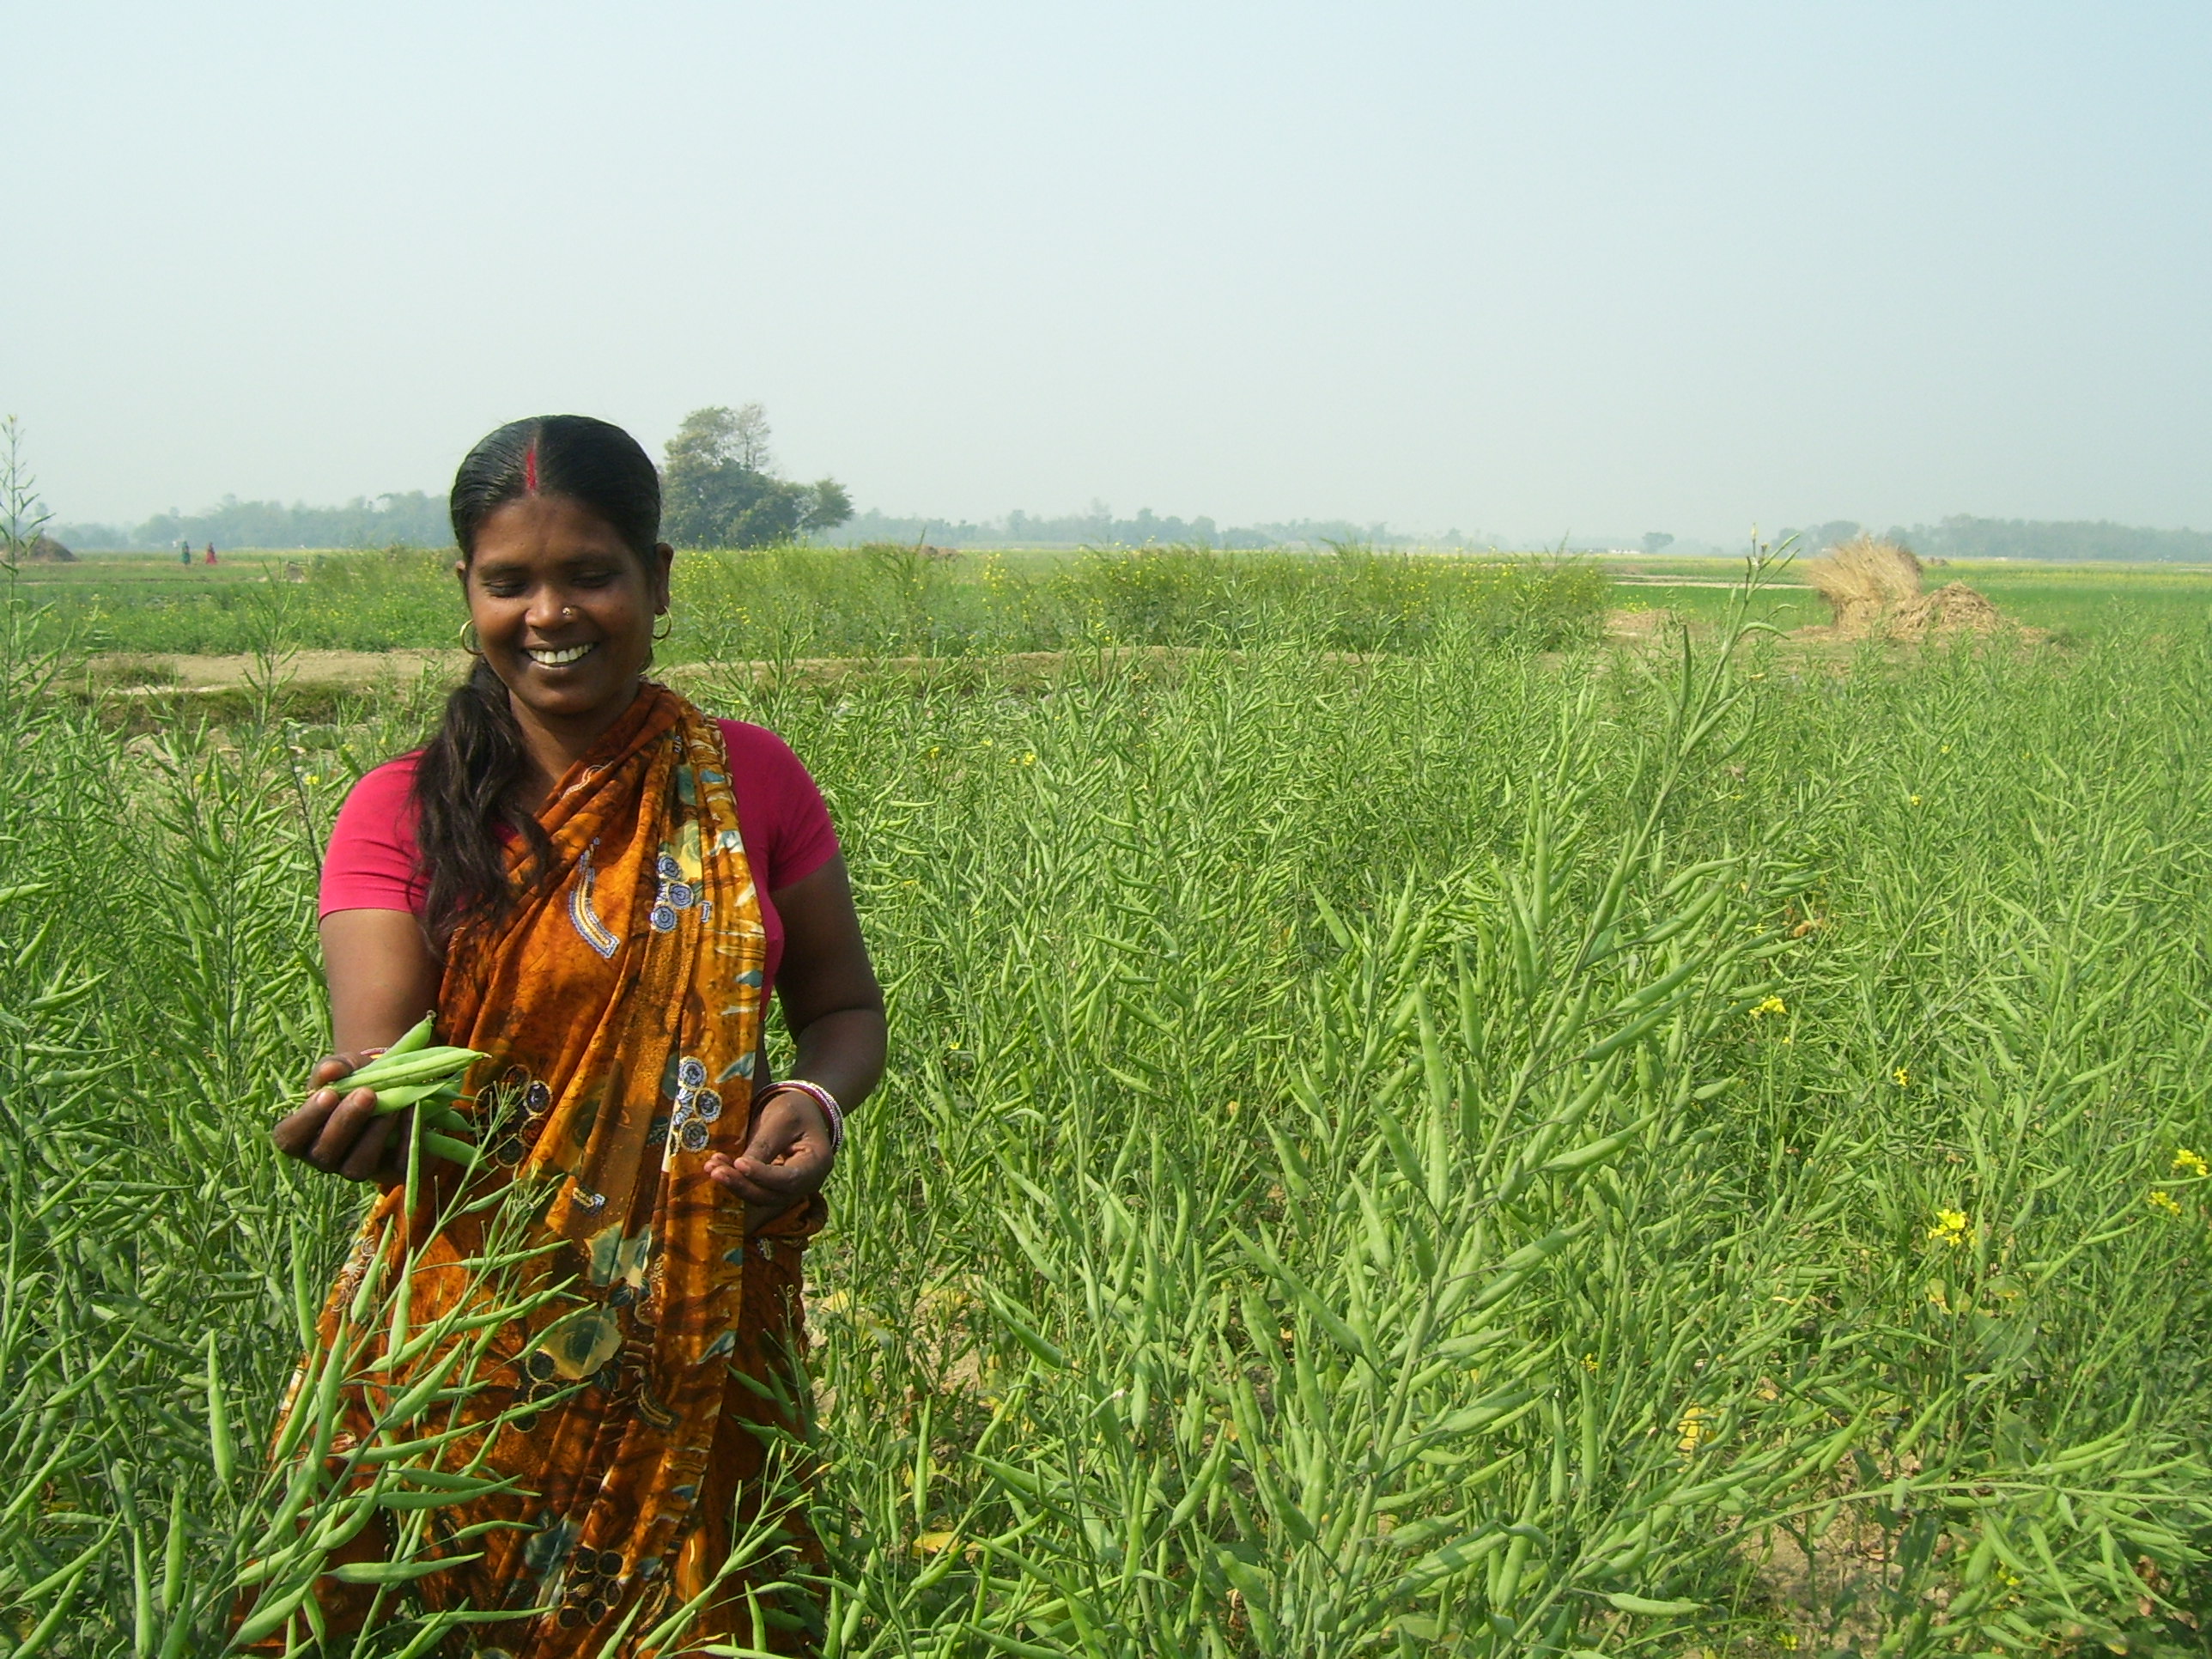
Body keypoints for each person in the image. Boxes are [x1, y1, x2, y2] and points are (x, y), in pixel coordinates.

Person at [268, 415, 885, 1653]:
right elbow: (383, 1059)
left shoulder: (752, 782)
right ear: (468, 592)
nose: (552, 611)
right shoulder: (400, 809)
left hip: (698, 1321)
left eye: (590, 574)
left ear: (656, 582)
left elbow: (843, 1013)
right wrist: (366, 1119)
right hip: (465, 1338)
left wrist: (811, 1106)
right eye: (511, 583)